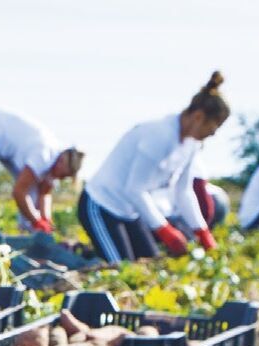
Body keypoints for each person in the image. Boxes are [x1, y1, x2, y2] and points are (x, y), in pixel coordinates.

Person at [78, 72, 230, 263]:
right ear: (198, 117)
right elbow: (135, 189)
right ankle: (80, 257)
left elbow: (183, 190)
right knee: (120, 268)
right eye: (212, 128)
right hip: (102, 204)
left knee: (150, 264)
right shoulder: (159, 135)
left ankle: (91, 253)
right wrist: (164, 229)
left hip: (130, 211)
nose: (212, 135)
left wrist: (202, 230)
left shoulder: (191, 145)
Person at [0, 110, 84, 235]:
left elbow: (44, 194)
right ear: (61, 161)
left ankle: (29, 236)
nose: (60, 178)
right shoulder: (44, 156)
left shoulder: (54, 164)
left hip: (5, 145)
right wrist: (37, 221)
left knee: (32, 190)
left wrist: (46, 223)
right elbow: (19, 192)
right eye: (62, 175)